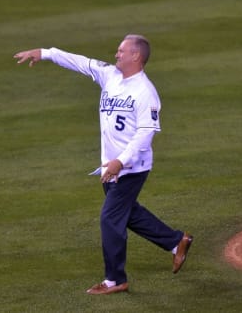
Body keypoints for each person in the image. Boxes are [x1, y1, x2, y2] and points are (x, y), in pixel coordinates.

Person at [14, 34, 193, 295]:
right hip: (111, 166)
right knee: (128, 213)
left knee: (110, 219)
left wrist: (120, 162)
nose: (116, 54)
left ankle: (115, 279)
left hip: (131, 168)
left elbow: (145, 134)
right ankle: (177, 242)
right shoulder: (109, 75)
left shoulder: (145, 92)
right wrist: (46, 52)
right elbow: (81, 62)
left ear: (136, 56)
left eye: (122, 51)